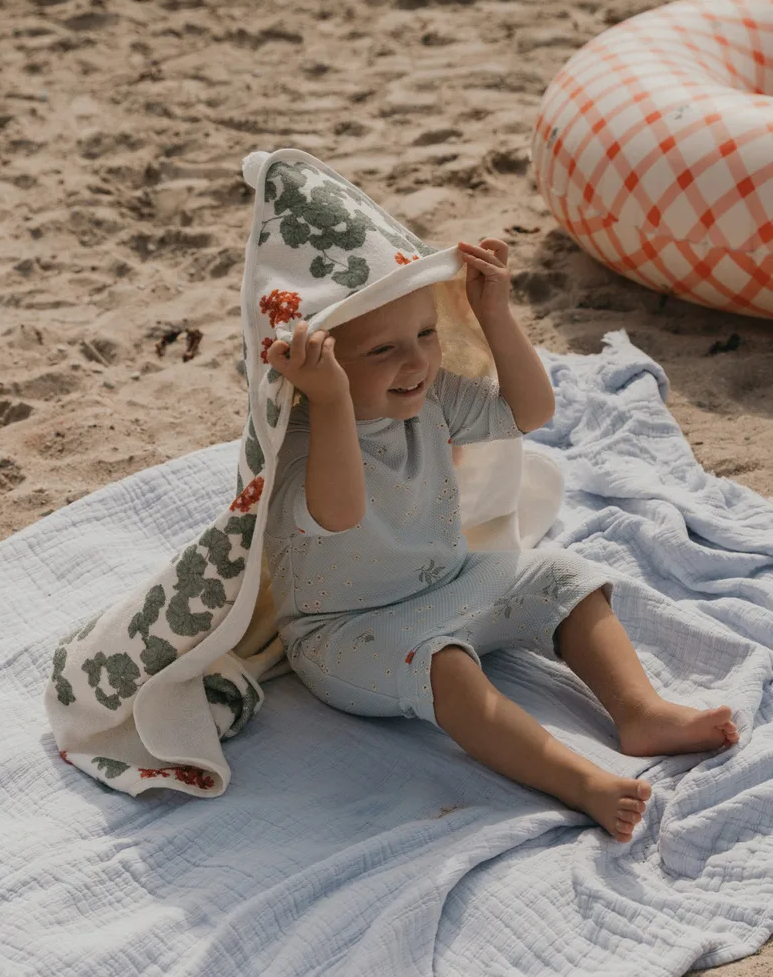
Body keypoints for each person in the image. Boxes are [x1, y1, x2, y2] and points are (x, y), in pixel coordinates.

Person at [262, 236, 739, 842]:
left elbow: (528, 412)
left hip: (450, 581)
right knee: (448, 668)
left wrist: (494, 314)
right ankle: (578, 780)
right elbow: (341, 512)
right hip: (349, 630)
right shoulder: (302, 438)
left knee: (561, 573)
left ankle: (641, 713)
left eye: (427, 334)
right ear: (313, 365)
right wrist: (330, 399)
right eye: (384, 349)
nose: (416, 361)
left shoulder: (429, 397)